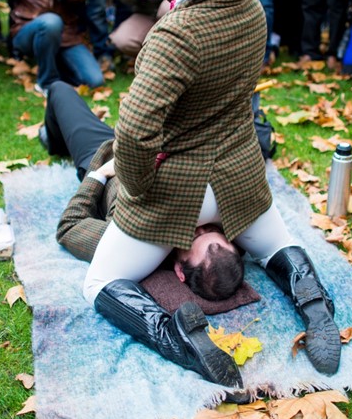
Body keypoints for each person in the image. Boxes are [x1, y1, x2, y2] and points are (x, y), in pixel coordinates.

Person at [83, 0, 342, 390]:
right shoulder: (252, 10)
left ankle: (175, 335)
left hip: (177, 192)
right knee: (277, 244)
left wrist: (136, 188)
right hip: (240, 179)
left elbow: (135, 131)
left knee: (98, 282)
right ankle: (314, 303)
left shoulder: (175, 34)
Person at [42, 82, 245, 300]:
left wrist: (99, 175)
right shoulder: (224, 215)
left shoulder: (124, 247)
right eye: (211, 229)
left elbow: (69, 226)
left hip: (104, 152)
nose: (199, 225)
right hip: (153, 141)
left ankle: (53, 141)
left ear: (179, 270)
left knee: (59, 90)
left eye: (193, 238)